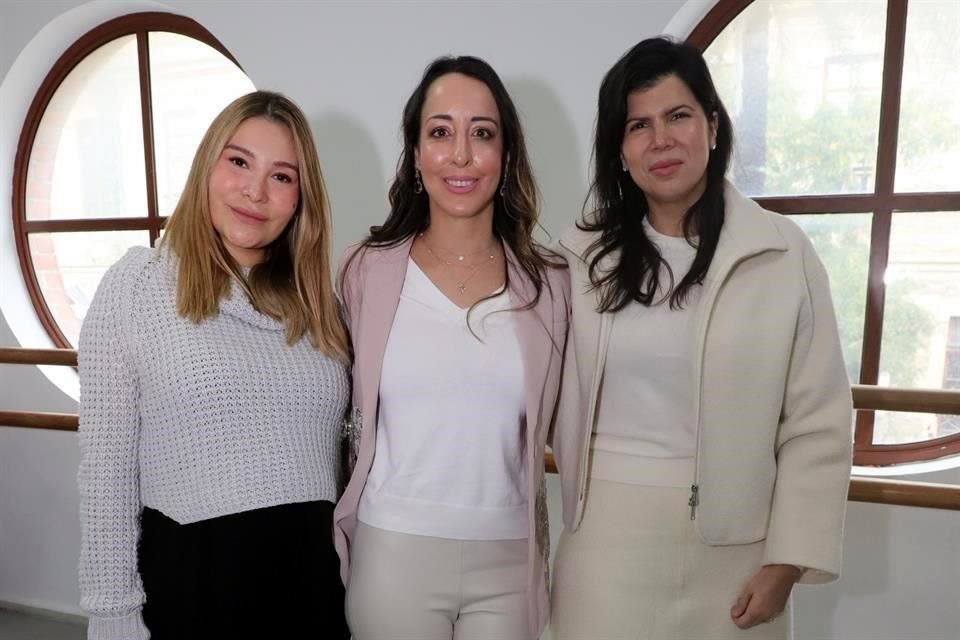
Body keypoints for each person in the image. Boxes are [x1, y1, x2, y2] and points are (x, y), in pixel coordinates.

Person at [550, 37, 853, 639]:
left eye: (678, 116)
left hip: (738, 552)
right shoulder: (579, 258)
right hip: (605, 547)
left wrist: (787, 561)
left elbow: (816, 420)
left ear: (713, 125)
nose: (660, 140)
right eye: (639, 125)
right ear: (620, 150)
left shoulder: (781, 253)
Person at [77, 91, 351, 640]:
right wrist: (112, 612)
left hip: (314, 591)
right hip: (194, 590)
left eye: (282, 176)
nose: (255, 190)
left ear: (301, 198)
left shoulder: (320, 304)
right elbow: (105, 471)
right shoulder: (137, 285)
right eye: (239, 162)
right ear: (207, 165)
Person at [333, 56, 569, 640]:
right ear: (416, 155)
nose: (460, 154)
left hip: (509, 559)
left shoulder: (551, 283)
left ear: (505, 155)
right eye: (440, 132)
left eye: (481, 134)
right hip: (394, 553)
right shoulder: (366, 271)